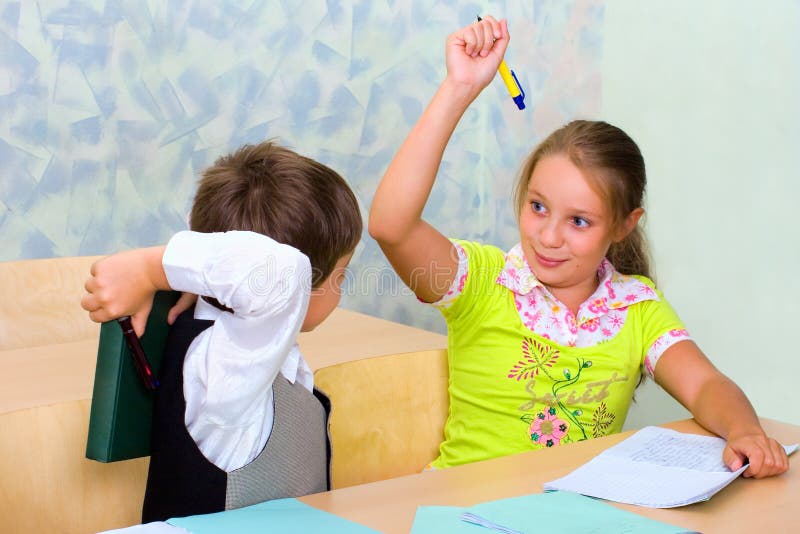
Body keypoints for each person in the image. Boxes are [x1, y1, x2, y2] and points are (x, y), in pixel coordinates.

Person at [368, 16, 789, 478]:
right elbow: (392, 225)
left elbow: (706, 384)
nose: (549, 237)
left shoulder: (637, 309)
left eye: (580, 221)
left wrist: (744, 430)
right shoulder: (484, 282)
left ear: (625, 226)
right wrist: (459, 88)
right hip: (461, 511)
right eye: (538, 207)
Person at [81, 140, 362, 521]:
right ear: (301, 289)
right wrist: (148, 268)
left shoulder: (248, 344)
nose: (342, 289)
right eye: (341, 275)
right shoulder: (230, 361)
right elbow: (281, 271)